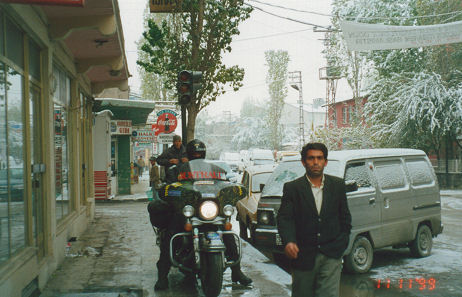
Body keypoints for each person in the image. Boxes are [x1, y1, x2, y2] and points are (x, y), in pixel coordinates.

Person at [148, 139, 252, 290]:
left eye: (199, 153)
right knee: (171, 235)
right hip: (186, 212)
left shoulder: (214, 170)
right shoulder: (177, 171)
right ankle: (162, 275)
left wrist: (233, 189)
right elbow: (168, 187)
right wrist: (170, 191)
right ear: (189, 154)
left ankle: (236, 270)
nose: (197, 155)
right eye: (194, 153)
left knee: (228, 234)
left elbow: (222, 183)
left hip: (208, 211)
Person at [277, 142, 352, 297]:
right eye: (311, 158)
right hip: (303, 255)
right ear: (304, 162)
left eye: (319, 158)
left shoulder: (337, 185)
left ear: (325, 161)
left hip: (331, 254)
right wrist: (289, 241)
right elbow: (285, 218)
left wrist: (341, 244)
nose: (315, 162)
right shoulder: (293, 188)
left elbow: (345, 218)